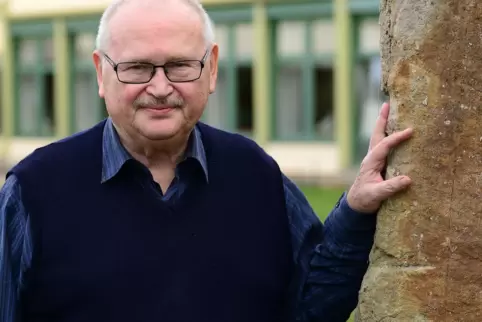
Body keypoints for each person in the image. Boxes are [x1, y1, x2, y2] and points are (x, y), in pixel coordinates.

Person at [0, 0, 413, 321]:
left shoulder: (255, 176)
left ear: (212, 69)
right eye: (138, 68)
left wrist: (356, 209)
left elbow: (310, 307)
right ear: (99, 73)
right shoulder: (35, 192)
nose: (160, 88)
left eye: (180, 66)